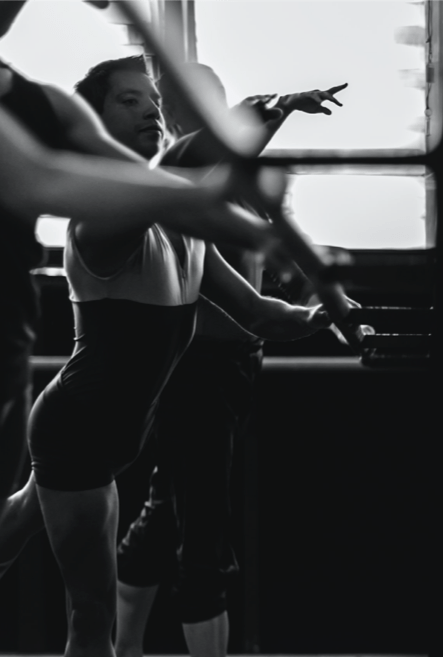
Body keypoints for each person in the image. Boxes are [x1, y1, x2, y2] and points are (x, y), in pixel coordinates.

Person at [0, 2, 300, 656]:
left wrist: (241, 218)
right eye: (134, 100)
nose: (151, 110)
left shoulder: (43, 107)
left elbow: (140, 180)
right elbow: (39, 178)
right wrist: (226, 178)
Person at [0, 54, 331, 657]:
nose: (150, 110)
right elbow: (178, 168)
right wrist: (270, 110)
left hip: (111, 436)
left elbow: (260, 314)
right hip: (79, 431)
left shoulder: (182, 229)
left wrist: (329, 318)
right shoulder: (101, 218)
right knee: (92, 619)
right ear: (94, 122)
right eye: (129, 100)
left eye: (153, 101)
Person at [113, 63, 346, 657]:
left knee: (166, 513)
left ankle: (119, 647)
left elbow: (265, 288)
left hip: (234, 366)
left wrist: (321, 308)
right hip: (195, 374)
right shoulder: (173, 185)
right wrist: (279, 105)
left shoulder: (227, 185)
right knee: (204, 539)